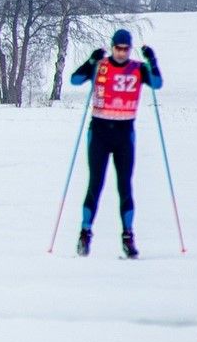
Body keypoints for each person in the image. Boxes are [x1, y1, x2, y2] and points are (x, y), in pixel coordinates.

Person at [68, 28, 160, 258]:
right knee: (95, 184)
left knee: (125, 187)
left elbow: (157, 84)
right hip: (99, 132)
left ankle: (128, 236)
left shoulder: (138, 68)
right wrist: (90, 61)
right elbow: (75, 79)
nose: (121, 53)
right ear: (112, 47)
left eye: (125, 49)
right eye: (117, 48)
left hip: (124, 133)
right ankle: (85, 234)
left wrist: (152, 61)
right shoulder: (101, 65)